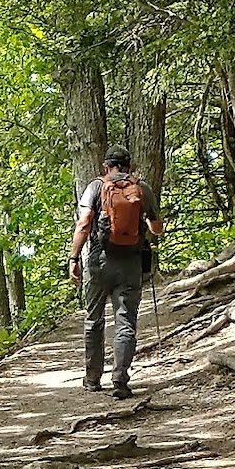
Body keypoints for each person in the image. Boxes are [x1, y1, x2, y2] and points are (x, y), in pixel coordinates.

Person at [69, 146, 165, 398]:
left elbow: (83, 223)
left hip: (98, 263)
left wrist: (73, 258)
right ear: (129, 166)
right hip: (131, 264)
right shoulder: (142, 189)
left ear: (105, 166)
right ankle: (120, 380)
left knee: (94, 320)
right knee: (125, 323)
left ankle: (92, 379)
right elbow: (157, 229)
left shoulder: (95, 187)